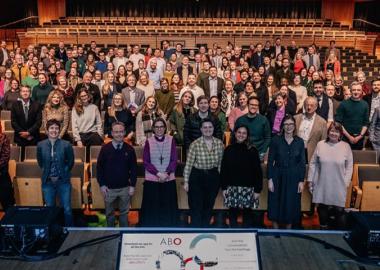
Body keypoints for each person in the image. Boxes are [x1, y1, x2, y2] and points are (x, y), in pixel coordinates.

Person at [308, 122, 353, 229]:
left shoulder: (346, 146)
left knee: (339, 210)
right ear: (328, 132)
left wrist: (345, 183)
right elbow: (313, 163)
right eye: (332, 131)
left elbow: (349, 166)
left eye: (336, 132)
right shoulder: (320, 144)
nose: (334, 133)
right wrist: (310, 179)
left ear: (340, 134)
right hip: (322, 181)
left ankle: (339, 234)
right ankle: (323, 229)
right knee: (322, 207)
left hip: (339, 183)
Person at [267, 115, 306, 229]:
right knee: (275, 202)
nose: (288, 127)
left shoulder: (299, 142)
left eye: (291, 124)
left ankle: (288, 231)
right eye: (286, 124)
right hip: (277, 175)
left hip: (293, 176)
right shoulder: (275, 140)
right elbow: (270, 161)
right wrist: (270, 179)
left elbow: (302, 163)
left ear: (294, 126)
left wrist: (301, 180)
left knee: (291, 203)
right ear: (282, 126)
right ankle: (275, 230)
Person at [183, 118, 224, 227]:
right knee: (196, 206)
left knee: (208, 206)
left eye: (210, 127)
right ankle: (195, 231)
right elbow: (189, 164)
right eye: (205, 127)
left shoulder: (219, 143)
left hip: (213, 177)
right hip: (197, 177)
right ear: (201, 129)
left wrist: (219, 180)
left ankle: (205, 231)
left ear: (213, 129)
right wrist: (186, 181)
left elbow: (220, 164)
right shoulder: (195, 144)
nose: (208, 129)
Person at [221, 125, 262, 227]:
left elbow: (258, 172)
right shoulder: (228, 150)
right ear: (235, 134)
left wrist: (258, 189)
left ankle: (246, 237)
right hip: (232, 187)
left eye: (244, 133)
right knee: (232, 213)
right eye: (239, 132)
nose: (241, 135)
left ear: (247, 135)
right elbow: (224, 170)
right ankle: (234, 235)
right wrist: (224, 187)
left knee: (247, 214)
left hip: (248, 188)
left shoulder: (252, 150)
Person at [97, 122, 137, 227]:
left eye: (121, 132)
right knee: (109, 214)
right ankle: (111, 234)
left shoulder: (130, 149)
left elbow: (133, 169)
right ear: (112, 133)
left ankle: (124, 234)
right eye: (116, 132)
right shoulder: (105, 149)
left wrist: (132, 185)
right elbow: (99, 168)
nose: (119, 134)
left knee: (124, 213)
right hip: (109, 189)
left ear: (124, 133)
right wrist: (102, 185)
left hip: (125, 188)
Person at [140, 118, 178, 226]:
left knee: (167, 206)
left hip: (168, 178)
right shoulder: (149, 141)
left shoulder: (171, 140)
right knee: (153, 207)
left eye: (161, 126)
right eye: (156, 127)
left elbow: (174, 159)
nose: (159, 129)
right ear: (153, 129)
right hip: (152, 180)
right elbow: (146, 161)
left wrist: (166, 173)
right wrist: (158, 174)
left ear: (165, 128)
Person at [37, 119, 74, 226]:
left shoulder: (66, 144)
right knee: (50, 208)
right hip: (47, 182)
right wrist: (46, 171)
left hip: (63, 181)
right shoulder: (41, 145)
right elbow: (40, 162)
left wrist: (64, 172)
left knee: (67, 208)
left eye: (56, 128)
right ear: (47, 130)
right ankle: (53, 232)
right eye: (51, 128)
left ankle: (70, 231)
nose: (54, 130)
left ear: (59, 130)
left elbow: (70, 162)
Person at [335, 82, 369, 150]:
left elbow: (365, 123)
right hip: (345, 138)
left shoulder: (365, 104)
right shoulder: (343, 104)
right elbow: (338, 123)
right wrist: (349, 137)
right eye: (354, 90)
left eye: (358, 90)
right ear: (351, 91)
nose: (356, 92)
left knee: (358, 159)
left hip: (359, 138)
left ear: (362, 91)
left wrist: (359, 136)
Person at [295, 97, 327, 162]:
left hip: (312, 153)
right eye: (307, 105)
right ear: (304, 106)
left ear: (316, 107)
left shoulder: (322, 122)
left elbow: (323, 141)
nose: (309, 107)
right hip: (296, 151)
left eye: (312, 105)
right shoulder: (296, 118)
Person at [11, 85, 42, 149]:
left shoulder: (37, 105)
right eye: (23, 91)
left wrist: (29, 132)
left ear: (30, 93)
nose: (25, 93)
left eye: (27, 91)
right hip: (20, 137)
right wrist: (23, 134)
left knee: (33, 158)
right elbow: (13, 122)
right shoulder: (14, 105)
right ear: (20, 93)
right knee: (20, 158)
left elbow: (38, 122)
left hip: (33, 137)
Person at [0, 124, 15, 211]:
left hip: (2, 174)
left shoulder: (3, 138)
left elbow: (5, 157)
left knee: (8, 203)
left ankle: (10, 223)